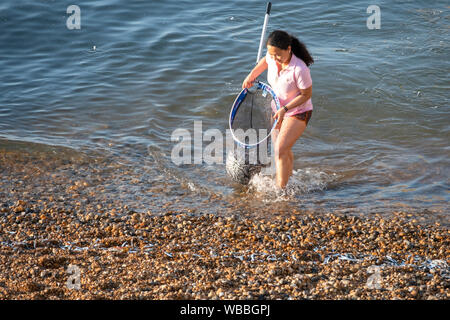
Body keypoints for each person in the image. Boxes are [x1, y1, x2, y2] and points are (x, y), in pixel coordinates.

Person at [242, 30, 314, 189]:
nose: (274, 58)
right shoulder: (272, 56)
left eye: (278, 55)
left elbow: (306, 95)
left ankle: (280, 191)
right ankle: (288, 180)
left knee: (280, 148)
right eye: (271, 54)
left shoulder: (300, 69)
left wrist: (286, 108)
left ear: (289, 49)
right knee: (281, 150)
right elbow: (264, 61)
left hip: (298, 111)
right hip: (277, 109)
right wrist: (251, 76)